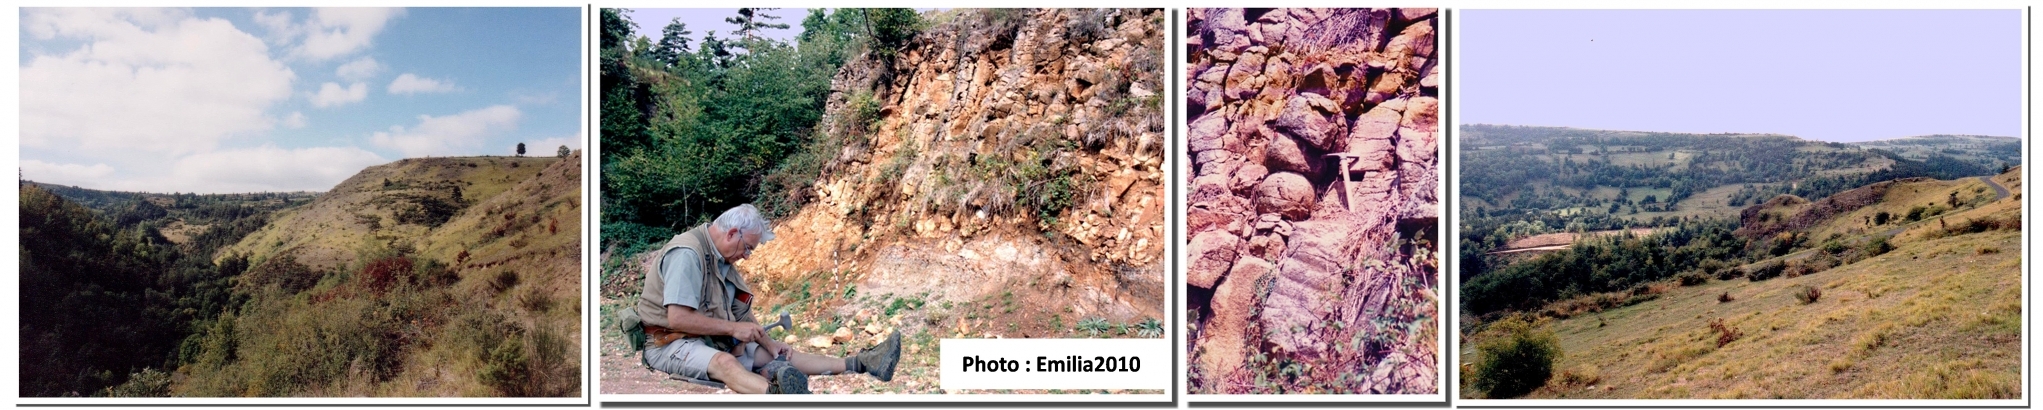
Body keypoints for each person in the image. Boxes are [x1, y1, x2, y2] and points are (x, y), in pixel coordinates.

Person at [636, 204, 900, 394]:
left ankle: (862, 363)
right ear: (731, 233)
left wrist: (770, 344)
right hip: (668, 343)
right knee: (725, 363)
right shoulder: (687, 255)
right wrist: (733, 329)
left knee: (780, 356)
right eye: (748, 248)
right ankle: (777, 396)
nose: (748, 255)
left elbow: (741, 316)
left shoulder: (722, 258)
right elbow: (678, 317)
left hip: (708, 340)